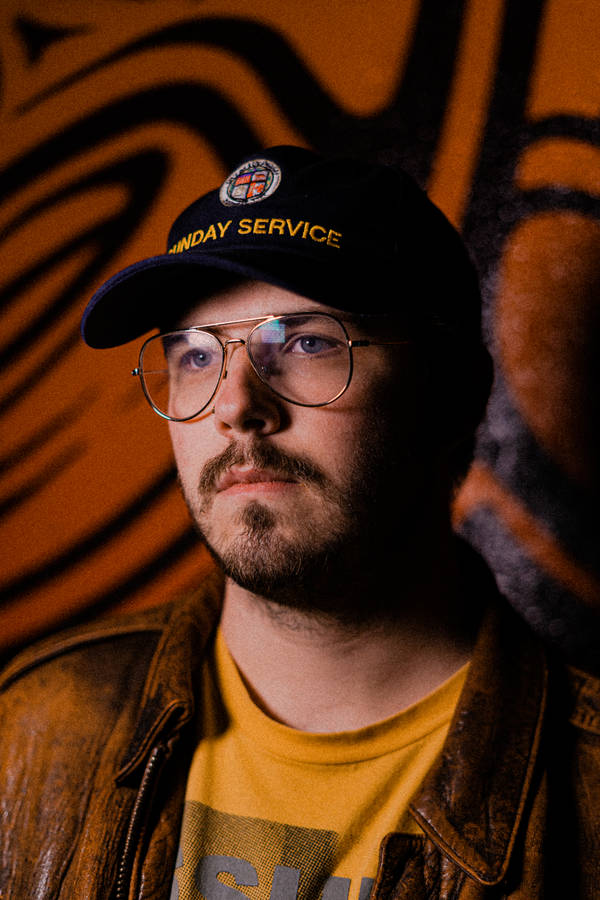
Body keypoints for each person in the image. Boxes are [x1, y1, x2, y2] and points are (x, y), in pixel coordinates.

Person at [0, 146, 598, 900]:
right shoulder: (33, 729)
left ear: (452, 398)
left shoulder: (587, 799)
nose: (237, 405)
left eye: (308, 342)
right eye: (194, 355)